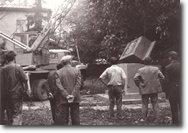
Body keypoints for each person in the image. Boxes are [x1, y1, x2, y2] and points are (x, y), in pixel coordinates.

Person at [1, 51, 30, 125]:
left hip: (6, 95)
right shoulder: (18, 67)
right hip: (17, 95)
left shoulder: (2, 69)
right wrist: (27, 90)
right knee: (17, 114)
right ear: (14, 58)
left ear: (6, 59)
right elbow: (25, 79)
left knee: (9, 113)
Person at [134, 57, 164, 122]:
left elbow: (135, 78)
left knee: (144, 104)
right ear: (151, 62)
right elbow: (162, 77)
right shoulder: (156, 69)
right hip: (154, 89)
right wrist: (156, 83)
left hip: (144, 89)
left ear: (144, 62)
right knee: (155, 103)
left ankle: (144, 118)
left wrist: (139, 85)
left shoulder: (140, 70)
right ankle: (157, 118)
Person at [55, 55, 82, 125]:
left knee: (64, 118)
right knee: (76, 117)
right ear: (70, 61)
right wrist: (73, 95)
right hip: (75, 98)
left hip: (64, 99)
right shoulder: (77, 70)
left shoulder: (58, 72)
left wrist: (66, 95)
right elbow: (78, 84)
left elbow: (59, 85)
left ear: (62, 63)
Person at [164, 51, 181, 125]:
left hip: (172, 88)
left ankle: (175, 121)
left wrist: (166, 92)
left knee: (173, 106)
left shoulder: (168, 67)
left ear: (170, 58)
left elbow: (167, 81)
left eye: (169, 57)